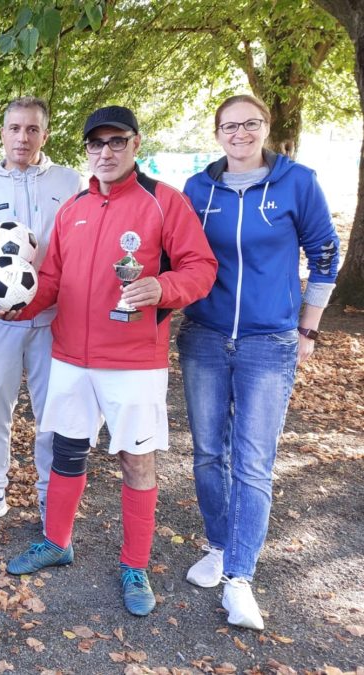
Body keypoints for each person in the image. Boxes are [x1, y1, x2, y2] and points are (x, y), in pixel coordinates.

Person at [2, 106, 217, 618]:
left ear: (135, 144)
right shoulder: (73, 207)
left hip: (134, 361)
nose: (105, 153)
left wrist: (162, 287)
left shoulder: (164, 203)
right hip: (72, 356)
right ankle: (57, 542)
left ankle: (134, 565)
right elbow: (51, 279)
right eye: (95, 144)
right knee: (67, 450)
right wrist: (17, 302)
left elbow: (201, 267)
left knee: (136, 461)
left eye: (116, 142)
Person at [179, 94, 340, 630]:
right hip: (204, 336)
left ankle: (241, 578)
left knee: (252, 461)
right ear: (217, 132)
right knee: (206, 453)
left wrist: (309, 326)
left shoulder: (298, 182)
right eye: (229, 125)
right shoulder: (198, 188)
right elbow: (176, 256)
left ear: (266, 127)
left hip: (269, 343)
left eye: (250, 124)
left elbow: (324, 253)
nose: (240, 133)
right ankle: (220, 546)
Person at [0, 97, 83, 532]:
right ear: (2, 133)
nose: (22, 137)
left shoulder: (69, 182)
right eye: (14, 128)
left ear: (45, 135)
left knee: (53, 412)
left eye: (31, 129)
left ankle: (50, 496)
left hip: (53, 319)